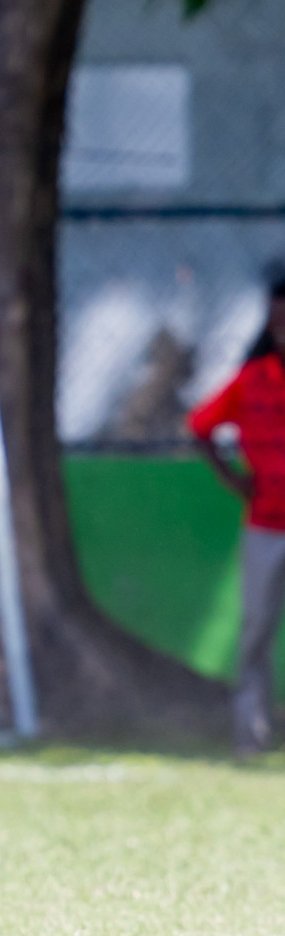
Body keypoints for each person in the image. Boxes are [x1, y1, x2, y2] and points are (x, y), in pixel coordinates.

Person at [190, 271, 285, 756]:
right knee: (256, 630)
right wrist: (233, 479)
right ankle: (252, 735)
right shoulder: (253, 381)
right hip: (266, 526)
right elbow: (201, 425)